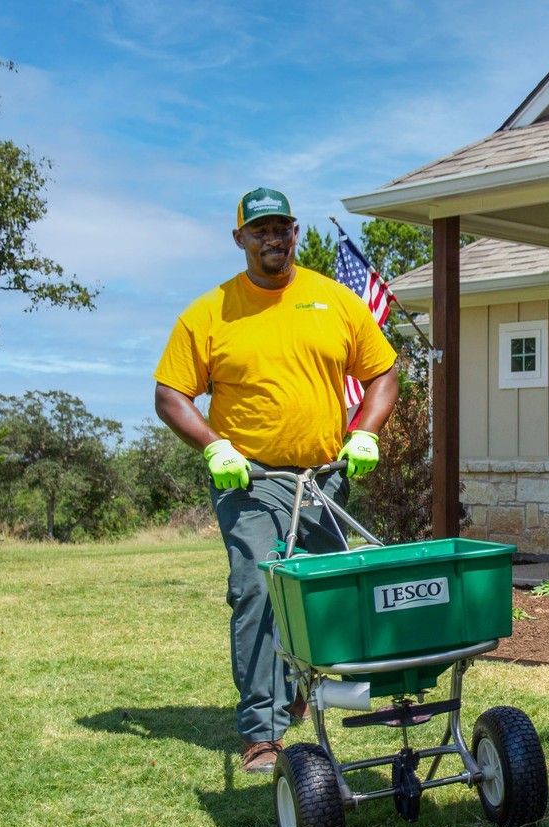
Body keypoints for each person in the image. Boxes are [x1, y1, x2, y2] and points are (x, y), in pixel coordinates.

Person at [153, 187, 398, 774]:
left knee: (326, 591)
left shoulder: (334, 300)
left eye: (282, 228)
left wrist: (365, 432)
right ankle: (262, 733)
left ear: (295, 232)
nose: (273, 239)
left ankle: (309, 688)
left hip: (323, 478)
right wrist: (214, 447)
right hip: (249, 480)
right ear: (239, 238)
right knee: (260, 588)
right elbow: (170, 394)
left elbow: (384, 372)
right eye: (260, 230)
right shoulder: (210, 313)